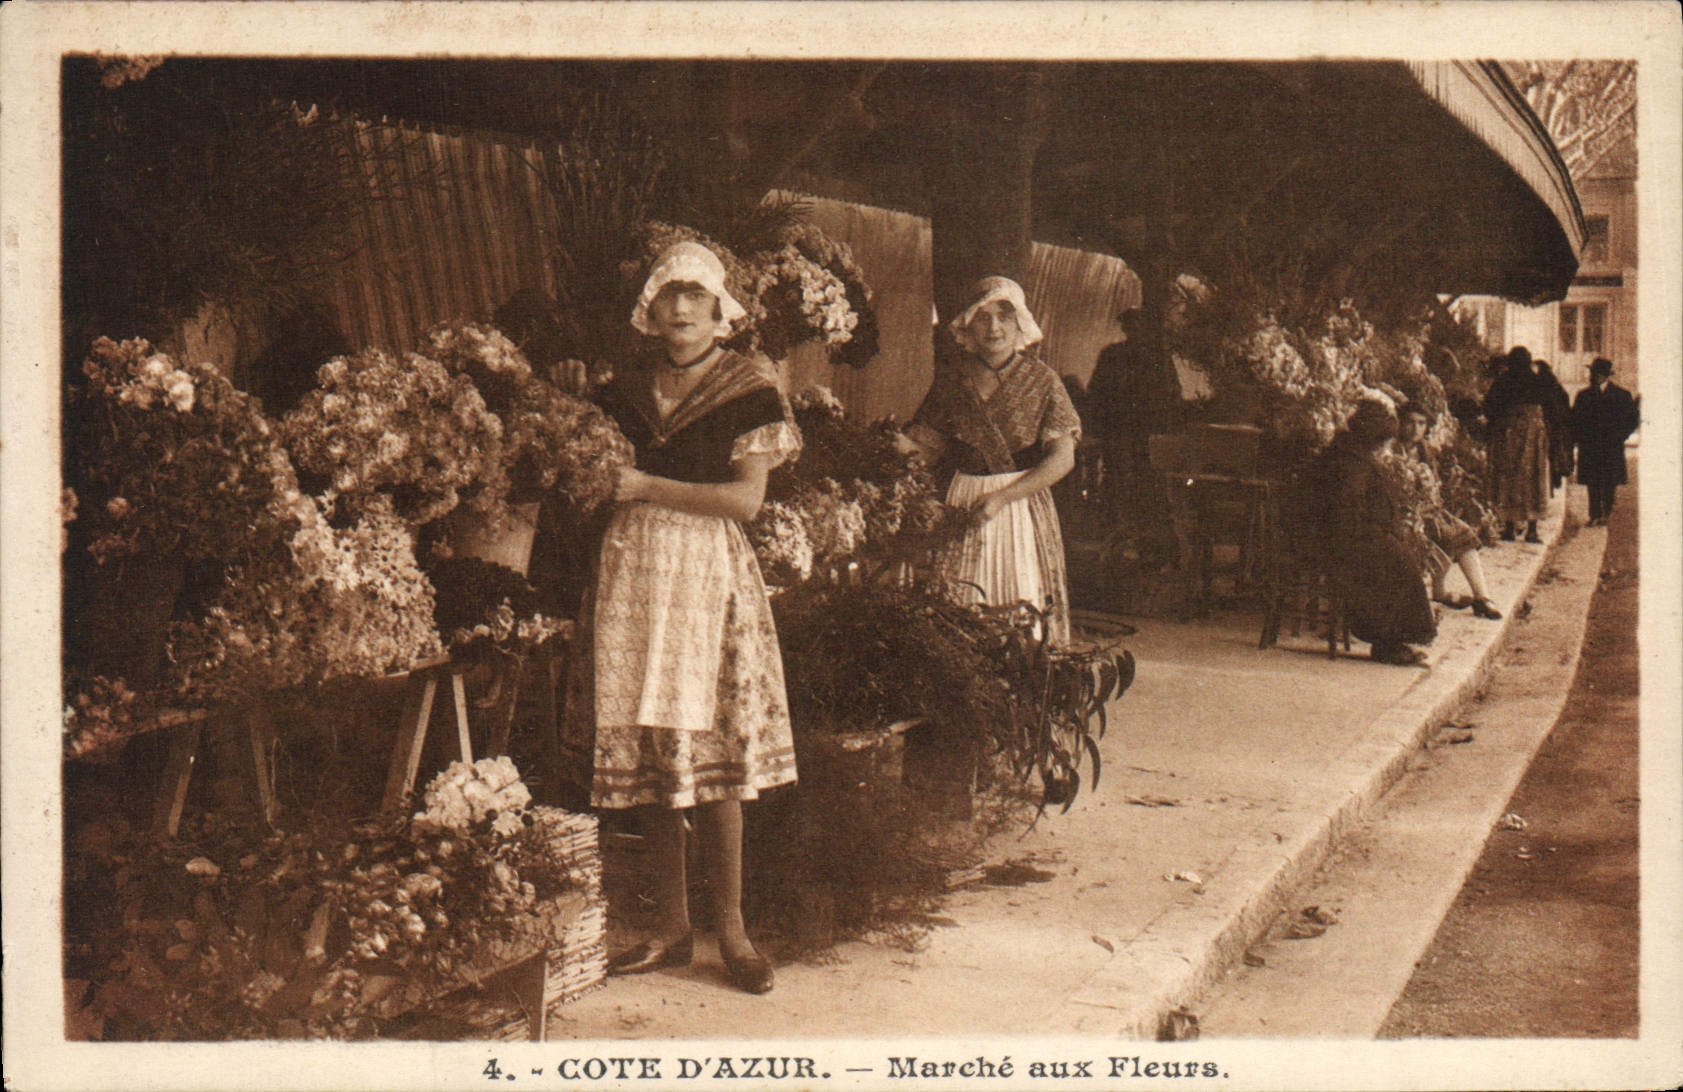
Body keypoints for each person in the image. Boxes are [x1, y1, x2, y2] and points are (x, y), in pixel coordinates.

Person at [564, 241, 800, 995]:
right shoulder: (624, 390)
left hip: (704, 571)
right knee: (652, 746)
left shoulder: (749, 386)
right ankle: (669, 929)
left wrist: (645, 485)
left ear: (717, 308)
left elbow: (744, 502)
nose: (679, 311)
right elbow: (596, 481)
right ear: (651, 310)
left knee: (713, 752)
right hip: (632, 570)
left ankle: (729, 929)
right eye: (667, 296)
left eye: (693, 297)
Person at [901, 276, 1081, 644]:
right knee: (958, 608)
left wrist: (1002, 498)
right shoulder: (952, 381)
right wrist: (895, 447)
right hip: (963, 502)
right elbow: (927, 448)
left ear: (1020, 323)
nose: (994, 327)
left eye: (1004, 316)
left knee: (1021, 611)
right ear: (968, 324)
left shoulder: (1043, 381)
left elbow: (1063, 459)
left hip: (1018, 507)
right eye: (983, 317)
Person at [1308, 398, 1437, 665]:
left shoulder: (1352, 455)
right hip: (1343, 541)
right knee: (1398, 565)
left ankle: (1392, 640)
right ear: (1374, 439)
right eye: (1384, 441)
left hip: (1353, 534)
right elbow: (1346, 513)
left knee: (1401, 558)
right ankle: (1388, 643)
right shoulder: (1350, 464)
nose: (1385, 447)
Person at [1392, 402, 1502, 620]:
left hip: (1428, 509)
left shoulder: (1424, 450)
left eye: (1421, 423)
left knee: (1462, 533)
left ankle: (1482, 597)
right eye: (1410, 423)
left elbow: (1434, 484)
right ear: (1400, 424)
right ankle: (1438, 592)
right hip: (1403, 512)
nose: (1415, 429)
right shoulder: (1392, 449)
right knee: (1439, 534)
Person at [1482, 346, 1565, 544]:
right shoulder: (1539, 381)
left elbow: (1490, 408)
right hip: (1533, 436)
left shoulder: (1503, 381)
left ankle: (1510, 527)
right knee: (1533, 478)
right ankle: (1532, 530)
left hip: (1508, 434)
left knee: (1509, 476)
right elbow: (1554, 408)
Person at [1571, 356, 1641, 526]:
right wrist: (1579, 438)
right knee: (1592, 482)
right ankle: (1594, 514)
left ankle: (1606, 513)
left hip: (1611, 445)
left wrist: (1621, 435)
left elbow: (1632, 419)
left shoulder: (1621, 395)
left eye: (1595, 374)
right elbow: (1575, 420)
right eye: (1592, 373)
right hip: (1590, 445)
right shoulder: (1584, 395)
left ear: (1604, 376)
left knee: (1609, 481)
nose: (1592, 377)